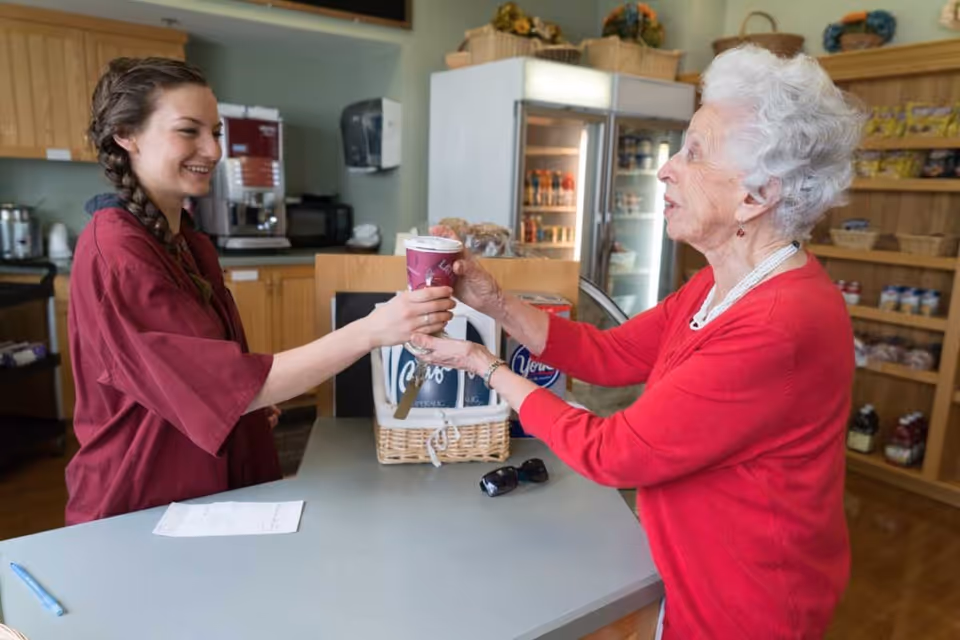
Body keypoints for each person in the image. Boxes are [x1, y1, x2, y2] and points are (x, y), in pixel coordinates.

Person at [411, 45, 863, 639]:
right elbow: (612, 354)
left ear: (757, 195)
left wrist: (484, 364)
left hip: (747, 600)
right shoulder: (722, 281)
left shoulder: (779, 323)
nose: (666, 167)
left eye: (695, 153)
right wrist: (494, 301)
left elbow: (613, 453)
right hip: (693, 570)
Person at [66, 57, 454, 525]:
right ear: (126, 135)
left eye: (216, 132)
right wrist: (372, 330)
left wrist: (248, 407)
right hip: (144, 500)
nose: (212, 150)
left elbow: (207, 373)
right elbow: (225, 387)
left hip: (209, 486)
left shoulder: (185, 239)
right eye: (189, 131)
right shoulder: (119, 251)